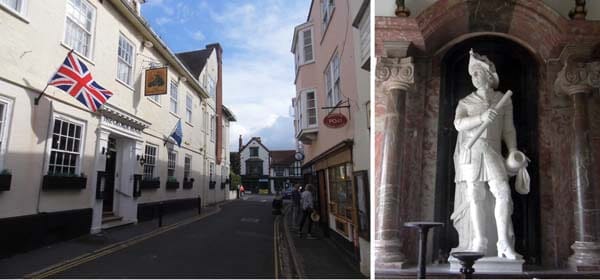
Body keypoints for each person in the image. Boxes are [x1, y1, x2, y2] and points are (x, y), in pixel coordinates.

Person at [451, 49, 527, 260]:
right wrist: (481, 117)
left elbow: (508, 129)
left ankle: (503, 242)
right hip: (471, 151)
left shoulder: (503, 99)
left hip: (492, 150)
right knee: (475, 195)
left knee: (502, 192)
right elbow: (458, 124)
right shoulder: (465, 103)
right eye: (472, 74)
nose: (474, 77)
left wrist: (512, 150)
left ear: (488, 75)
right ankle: (479, 240)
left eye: (477, 73)